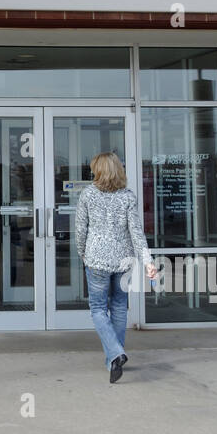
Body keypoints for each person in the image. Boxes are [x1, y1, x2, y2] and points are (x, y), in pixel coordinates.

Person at [73, 152, 157, 383]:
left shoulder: (88, 195)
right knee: (119, 306)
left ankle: (116, 354)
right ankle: (113, 358)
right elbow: (136, 233)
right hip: (124, 260)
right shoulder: (128, 197)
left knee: (98, 309)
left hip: (97, 260)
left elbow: (80, 229)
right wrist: (148, 260)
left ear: (98, 171)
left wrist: (83, 253)